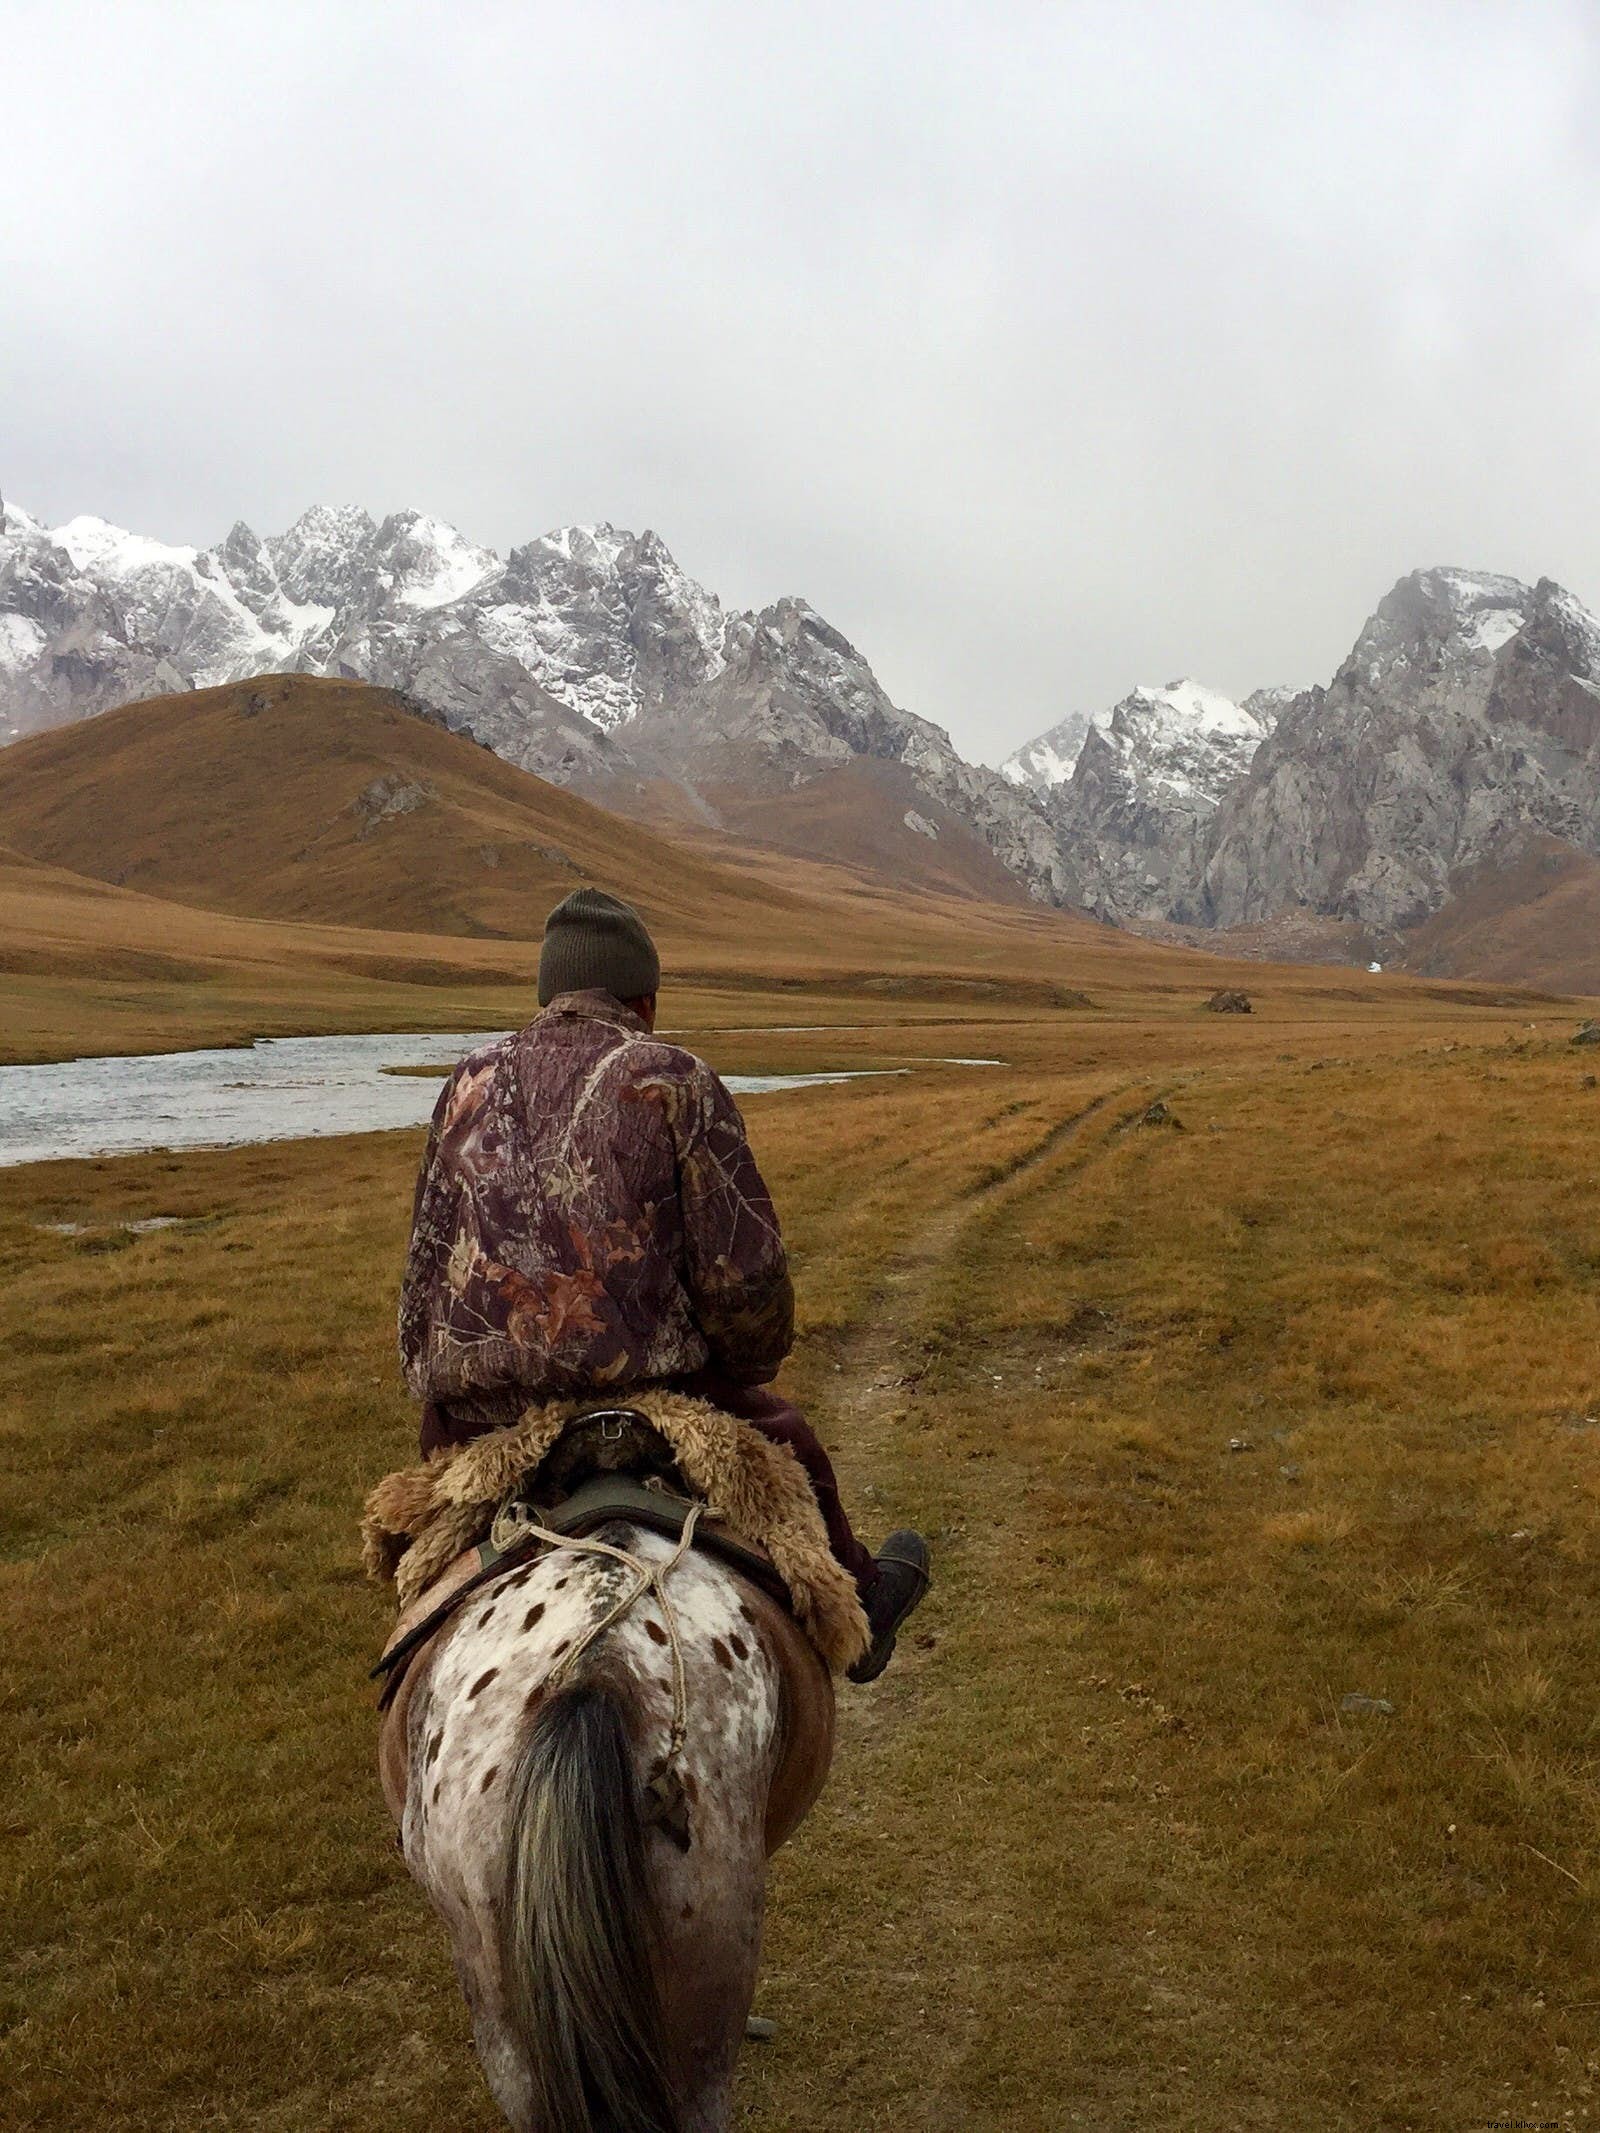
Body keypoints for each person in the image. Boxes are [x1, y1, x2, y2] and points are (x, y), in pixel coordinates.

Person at [398, 886, 930, 1682]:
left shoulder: (465, 1081)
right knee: (794, 1451)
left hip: (486, 1417)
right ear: (644, 997)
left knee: (417, 1540)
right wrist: (749, 1366)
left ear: (549, 993)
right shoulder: (673, 1077)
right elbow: (744, 1281)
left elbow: (422, 1282)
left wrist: (452, 1384)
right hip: (650, 1396)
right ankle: (860, 1606)